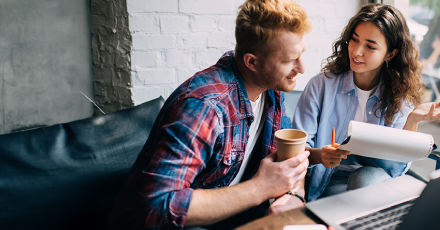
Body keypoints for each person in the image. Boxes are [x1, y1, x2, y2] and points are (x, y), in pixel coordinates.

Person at [108, 0, 312, 229]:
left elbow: (289, 160)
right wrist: (260, 188)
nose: (302, 68)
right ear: (252, 62)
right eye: (288, 60)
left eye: (301, 53)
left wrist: (295, 196)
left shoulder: (272, 88)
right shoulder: (203, 107)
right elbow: (157, 206)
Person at [293, 3, 440, 202]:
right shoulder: (321, 86)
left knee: (365, 177)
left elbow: (396, 169)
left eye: (370, 46)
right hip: (328, 182)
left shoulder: (400, 95)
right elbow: (296, 148)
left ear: (390, 54)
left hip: (377, 183)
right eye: (354, 40)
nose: (356, 52)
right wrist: (319, 155)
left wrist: (412, 120)